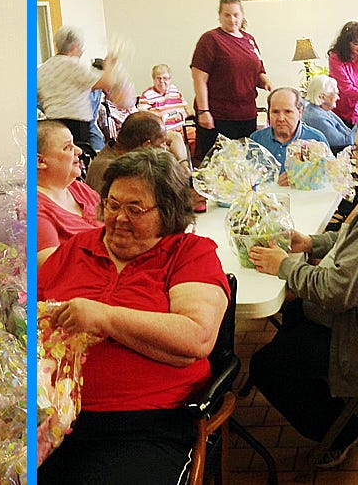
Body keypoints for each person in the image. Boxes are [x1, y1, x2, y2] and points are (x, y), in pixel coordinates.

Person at [37, 148, 230, 484]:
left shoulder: (189, 254)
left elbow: (196, 335)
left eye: (134, 209)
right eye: (112, 204)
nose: (118, 218)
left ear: (168, 211)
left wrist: (104, 318)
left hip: (144, 423)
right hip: (51, 418)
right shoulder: (75, 249)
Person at [247, 113, 358, 468]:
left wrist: (284, 264)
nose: (352, 155)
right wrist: (311, 242)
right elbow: (353, 240)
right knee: (293, 311)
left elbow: (338, 289)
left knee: (266, 366)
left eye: (356, 149)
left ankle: (342, 430)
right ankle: (341, 399)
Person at [191, 0, 272, 159]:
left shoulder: (249, 40)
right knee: (218, 166)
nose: (232, 19)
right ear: (219, 15)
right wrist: (203, 111)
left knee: (245, 163)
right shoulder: (211, 39)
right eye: (226, 15)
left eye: (235, 14)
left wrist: (267, 83)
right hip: (219, 116)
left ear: (242, 15)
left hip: (247, 114)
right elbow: (199, 79)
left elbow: (257, 72)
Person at [37, 25, 120, 145]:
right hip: (76, 123)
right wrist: (109, 63)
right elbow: (107, 83)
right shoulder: (73, 65)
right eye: (81, 48)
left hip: (52, 122)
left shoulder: (44, 68)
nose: (82, 51)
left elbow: (37, 96)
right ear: (75, 46)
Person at [37, 120, 104, 268]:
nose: (79, 151)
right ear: (40, 161)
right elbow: (51, 267)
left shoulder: (80, 189)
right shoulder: (35, 209)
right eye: (68, 147)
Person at [85, 110, 188, 194]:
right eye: (162, 144)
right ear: (146, 145)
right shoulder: (114, 170)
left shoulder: (121, 153)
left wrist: (183, 165)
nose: (164, 148)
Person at [250, 87, 329, 185]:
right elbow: (247, 177)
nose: (281, 118)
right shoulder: (256, 139)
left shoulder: (316, 139)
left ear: (300, 113)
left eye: (288, 112)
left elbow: (329, 177)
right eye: (275, 112)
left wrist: (302, 179)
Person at [303, 75, 356, 154]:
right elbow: (344, 142)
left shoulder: (323, 109)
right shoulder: (316, 117)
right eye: (335, 93)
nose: (338, 98)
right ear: (322, 97)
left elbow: (347, 132)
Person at [138, 63, 190, 128]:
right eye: (158, 78)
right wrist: (158, 115)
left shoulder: (175, 90)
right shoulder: (147, 95)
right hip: (162, 131)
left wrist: (183, 115)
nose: (162, 81)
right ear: (153, 79)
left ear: (170, 80)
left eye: (165, 78)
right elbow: (141, 116)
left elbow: (189, 110)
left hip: (181, 127)